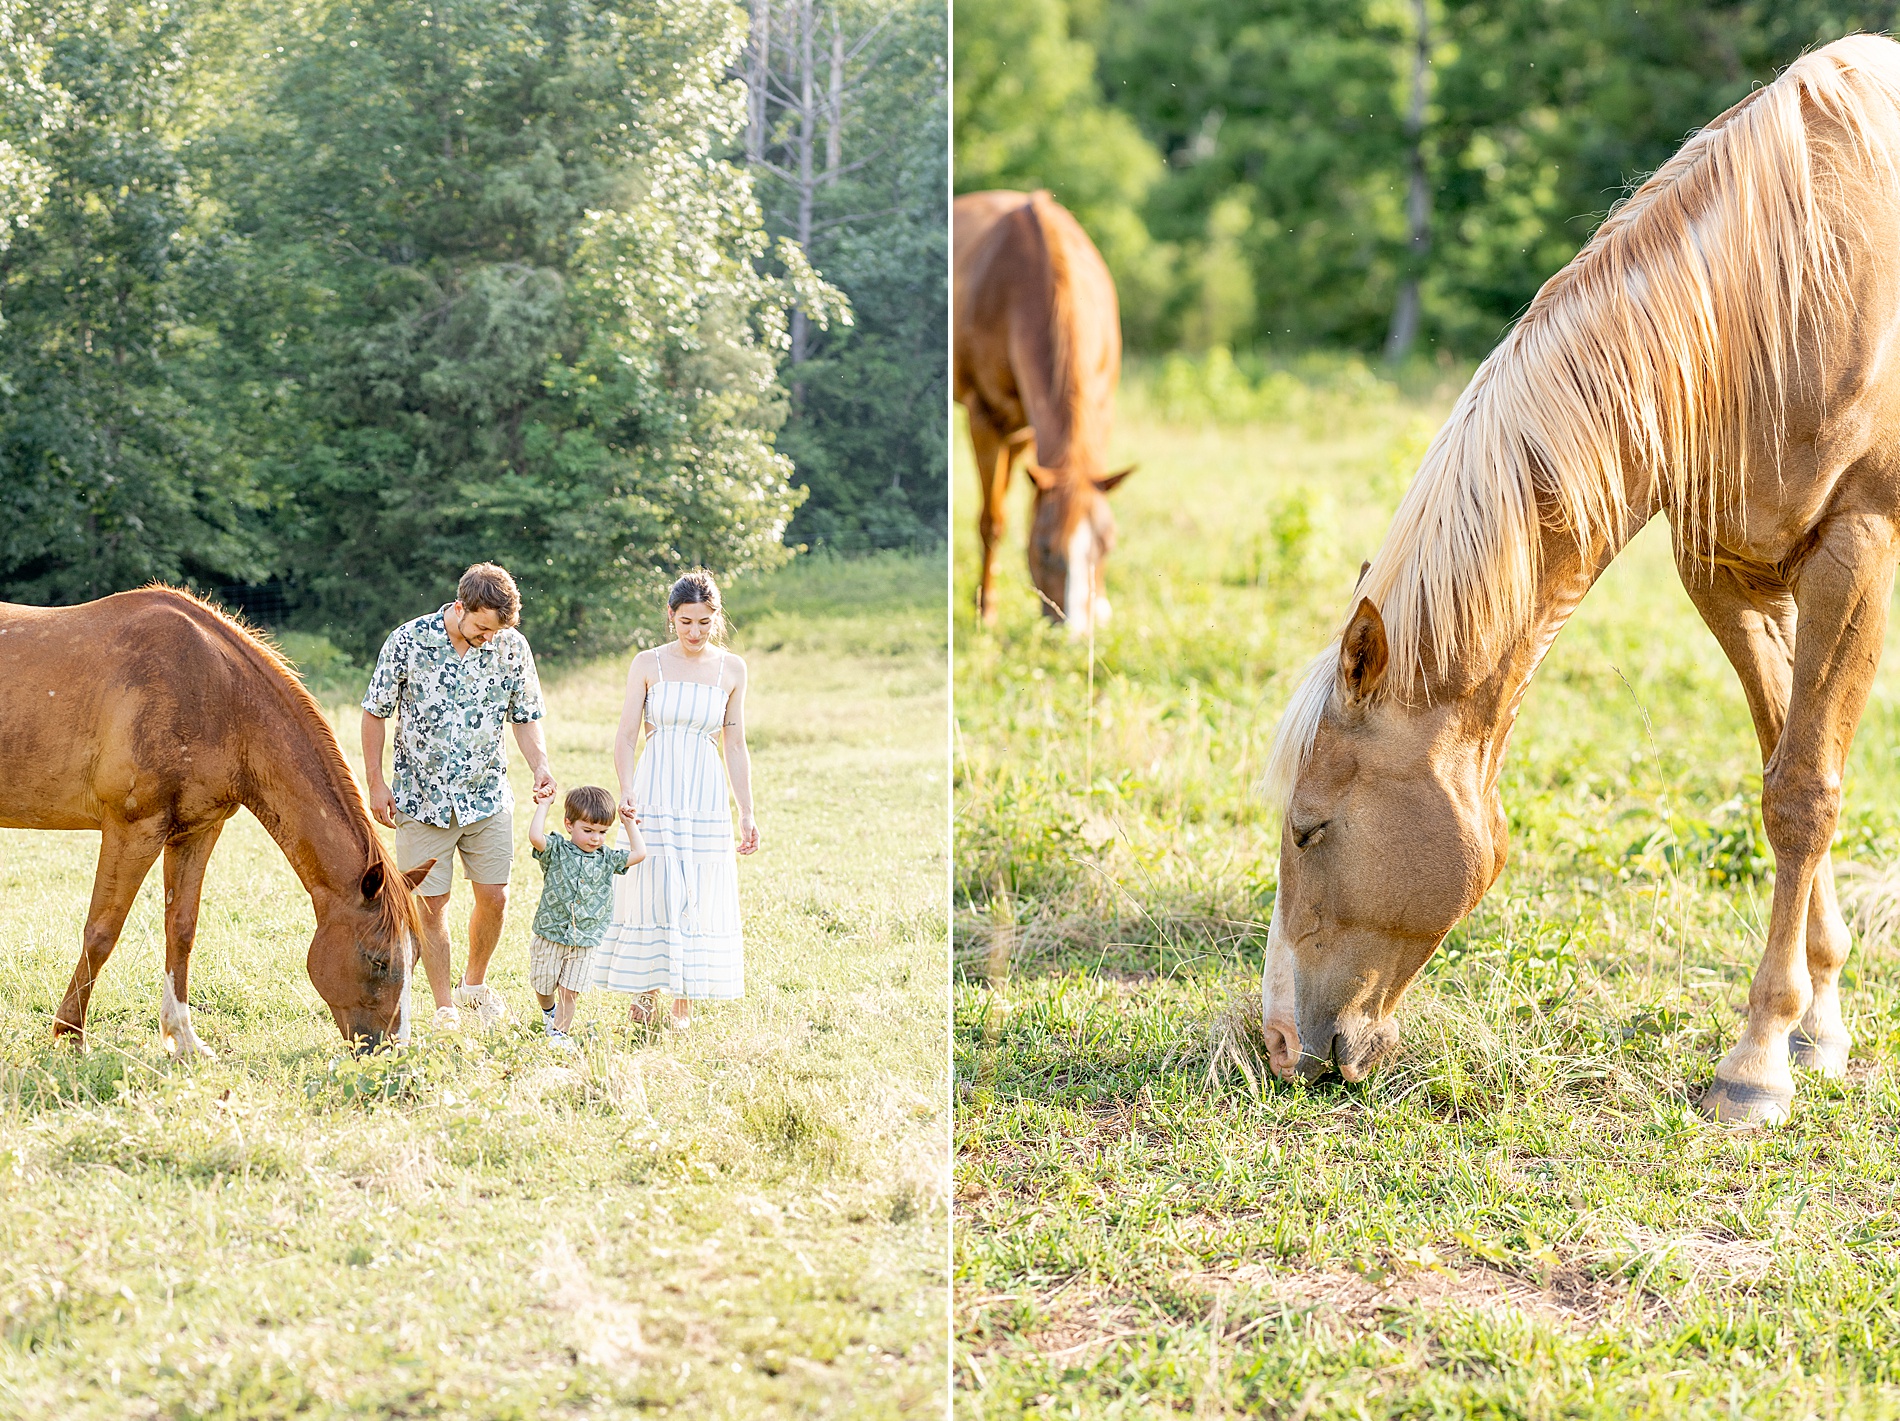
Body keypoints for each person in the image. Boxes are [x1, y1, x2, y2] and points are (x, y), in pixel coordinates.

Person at [361, 562, 554, 1031]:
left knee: (496, 896)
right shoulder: (407, 640)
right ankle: (444, 1005)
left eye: (497, 630)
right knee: (431, 905)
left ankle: (474, 986)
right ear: (461, 606)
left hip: (486, 795)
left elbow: (525, 716)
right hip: (421, 798)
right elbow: (375, 713)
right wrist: (375, 782)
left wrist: (540, 763)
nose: (489, 637)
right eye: (482, 628)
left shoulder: (511, 646)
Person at [592, 570, 759, 1028]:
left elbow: (736, 744)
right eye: (686, 622)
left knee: (696, 889)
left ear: (716, 618)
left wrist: (746, 812)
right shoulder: (649, 664)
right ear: (671, 616)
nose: (695, 632)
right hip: (655, 784)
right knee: (653, 883)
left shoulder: (731, 669)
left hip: (704, 788)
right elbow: (626, 737)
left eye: (705, 622)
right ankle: (645, 992)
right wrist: (627, 790)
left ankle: (684, 996)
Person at [526, 783, 645, 1048]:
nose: (595, 838)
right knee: (544, 986)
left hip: (585, 937)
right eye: (588, 830)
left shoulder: (607, 858)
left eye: (602, 832)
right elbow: (536, 838)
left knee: (570, 989)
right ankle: (549, 1012)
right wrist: (544, 805)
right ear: (569, 825)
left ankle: (559, 1034)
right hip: (551, 932)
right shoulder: (557, 850)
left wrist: (628, 824)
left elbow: (639, 853)